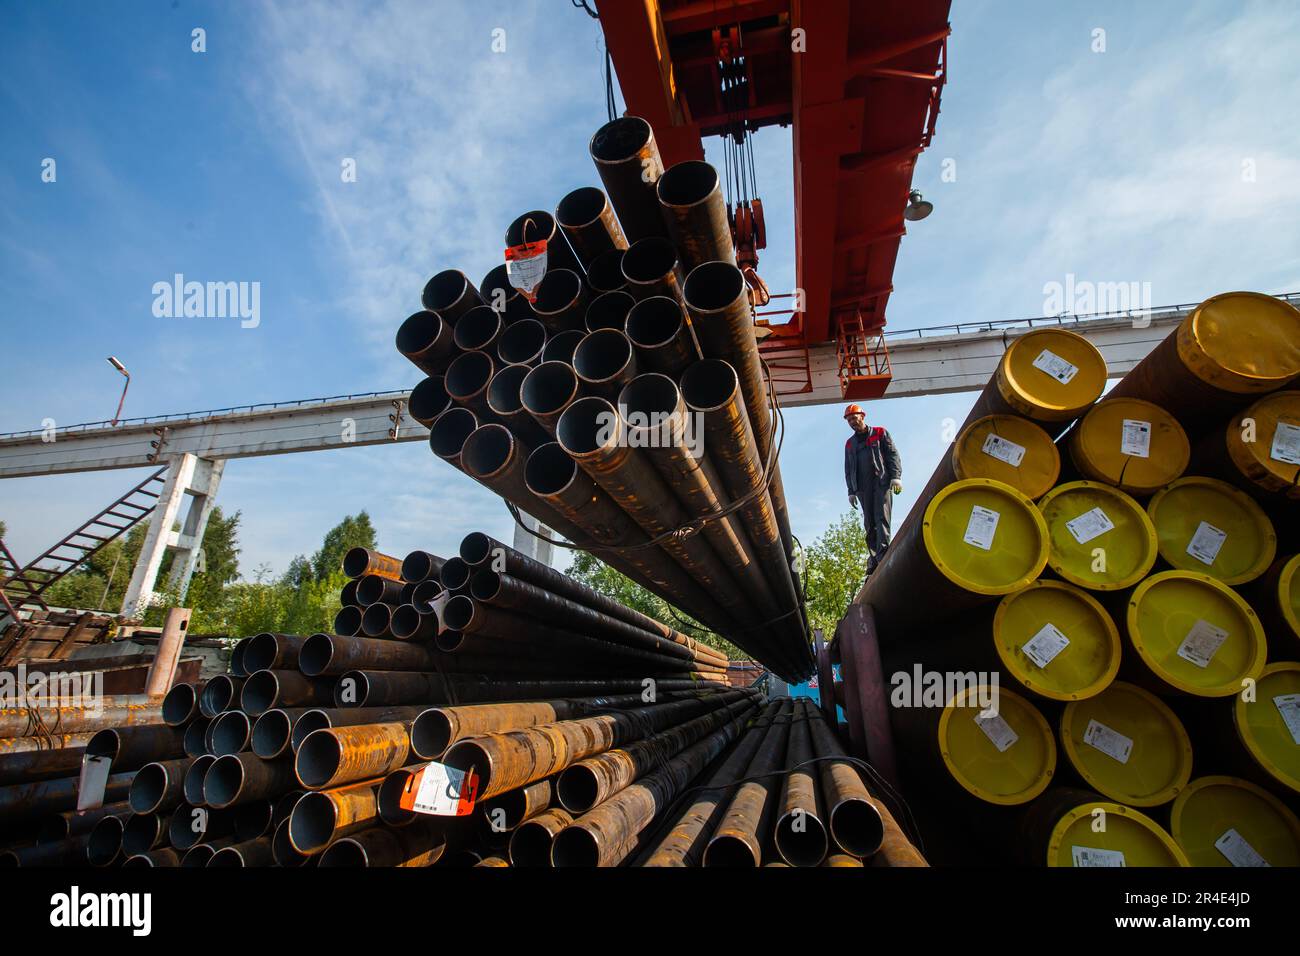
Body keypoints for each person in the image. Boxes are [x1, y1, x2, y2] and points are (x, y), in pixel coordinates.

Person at [843, 403, 902, 575]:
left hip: (881, 483)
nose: (852, 422)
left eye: (854, 418)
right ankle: (874, 558)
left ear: (862, 416)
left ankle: (882, 556)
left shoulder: (880, 433)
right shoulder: (849, 444)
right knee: (869, 523)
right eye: (849, 420)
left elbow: (892, 454)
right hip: (862, 488)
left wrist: (896, 477)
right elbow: (848, 468)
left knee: (881, 519)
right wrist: (851, 491)